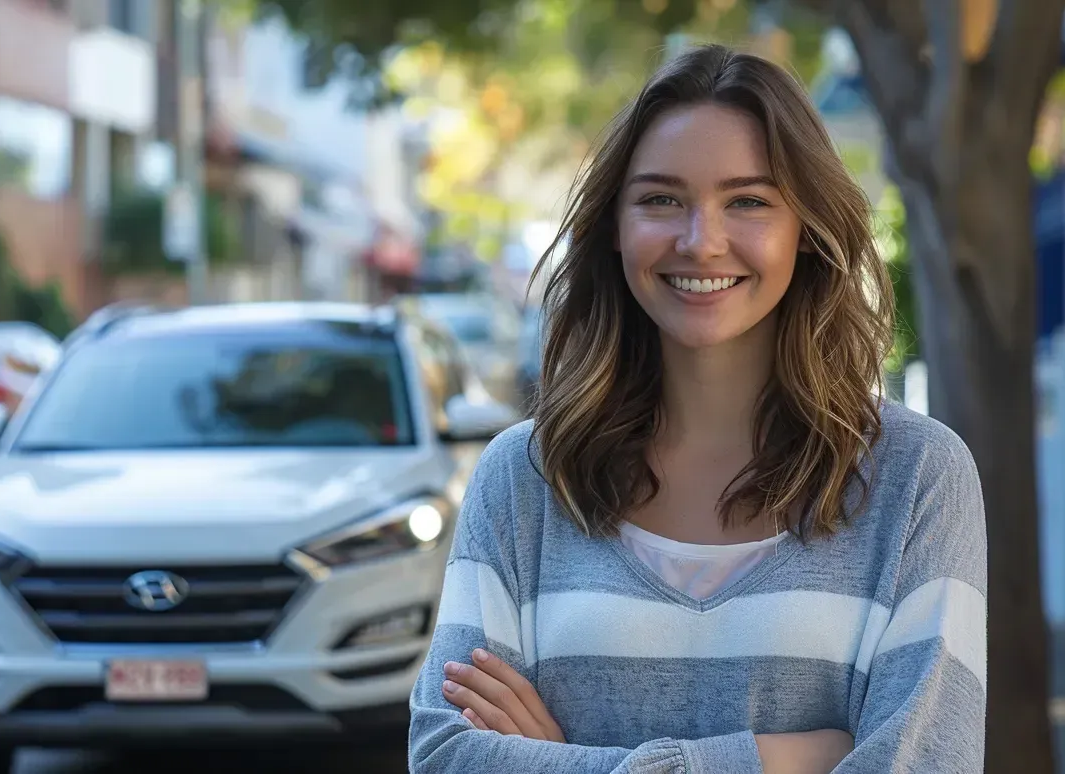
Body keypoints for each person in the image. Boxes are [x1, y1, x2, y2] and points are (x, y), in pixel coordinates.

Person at [408, 44, 986, 774]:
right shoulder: (525, 479)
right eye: (660, 199)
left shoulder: (918, 479)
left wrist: (565, 761)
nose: (700, 240)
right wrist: (797, 758)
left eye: (747, 200)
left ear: (805, 228)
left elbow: (928, 763)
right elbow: (444, 755)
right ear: (613, 229)